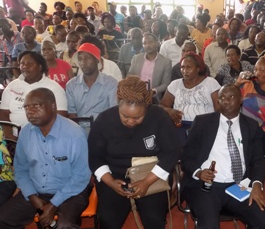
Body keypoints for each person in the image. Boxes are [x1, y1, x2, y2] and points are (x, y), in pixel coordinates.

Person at [88, 76, 180, 228]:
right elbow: (94, 157)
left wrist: (146, 182)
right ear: (118, 105)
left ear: (146, 106)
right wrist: (111, 182)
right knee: (107, 220)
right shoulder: (104, 120)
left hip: (151, 174)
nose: (130, 122)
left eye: (138, 117)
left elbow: (171, 152)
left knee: (154, 219)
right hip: (114, 175)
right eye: (125, 116)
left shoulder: (159, 117)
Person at [181, 84, 265, 229]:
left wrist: (256, 185)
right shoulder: (202, 122)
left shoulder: (251, 125)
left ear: (240, 99)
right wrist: (198, 172)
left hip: (239, 186)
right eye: (222, 98)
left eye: (231, 97)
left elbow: (257, 160)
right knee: (209, 225)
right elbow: (186, 157)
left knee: (264, 220)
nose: (226, 101)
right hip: (206, 187)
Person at [0, 88, 91, 228]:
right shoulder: (25, 132)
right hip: (37, 189)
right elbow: (21, 170)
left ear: (53, 106)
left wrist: (54, 203)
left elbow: (80, 176)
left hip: (70, 191)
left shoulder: (74, 134)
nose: (29, 111)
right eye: (26, 107)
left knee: (65, 225)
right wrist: (31, 196)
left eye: (36, 105)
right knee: (4, 219)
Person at [160, 51, 220, 143]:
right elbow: (162, 105)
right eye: (182, 67)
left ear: (198, 69)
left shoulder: (210, 83)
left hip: (205, 127)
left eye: (189, 67)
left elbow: (219, 110)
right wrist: (169, 110)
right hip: (180, 127)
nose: (185, 71)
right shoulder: (175, 84)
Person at [235, 50, 265, 155]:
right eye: (256, 69)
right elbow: (231, 99)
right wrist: (237, 83)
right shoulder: (248, 84)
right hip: (240, 131)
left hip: (261, 138)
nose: (257, 73)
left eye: (262, 71)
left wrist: (251, 135)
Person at [0, 51, 67, 126]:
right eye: (22, 63)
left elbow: (61, 115)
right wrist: (10, 135)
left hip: (43, 133)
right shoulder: (12, 86)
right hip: (14, 133)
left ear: (40, 67)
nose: (25, 66)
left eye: (30, 63)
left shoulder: (54, 88)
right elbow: (3, 113)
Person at [66, 42, 118, 119]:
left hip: (103, 129)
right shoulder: (71, 85)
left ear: (97, 60)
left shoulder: (111, 83)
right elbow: (72, 114)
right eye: (80, 59)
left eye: (87, 58)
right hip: (79, 129)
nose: (83, 62)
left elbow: (114, 113)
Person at [128, 32, 172, 101]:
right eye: (144, 43)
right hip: (136, 95)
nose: (147, 45)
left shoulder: (166, 62)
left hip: (153, 97)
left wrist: (153, 91)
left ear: (157, 43)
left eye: (150, 42)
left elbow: (166, 83)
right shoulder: (136, 58)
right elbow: (130, 76)